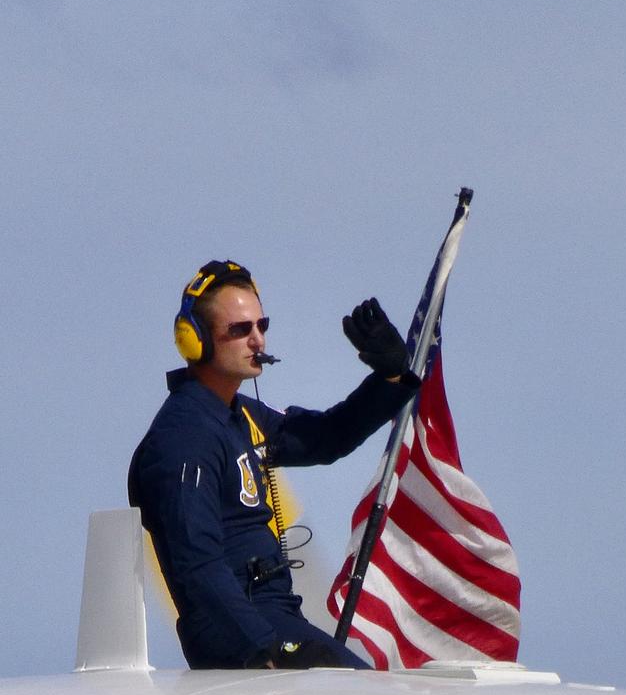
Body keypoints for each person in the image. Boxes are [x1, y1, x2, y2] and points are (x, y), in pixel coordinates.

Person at [127, 260, 420, 670]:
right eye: (240, 330)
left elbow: (324, 438)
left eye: (261, 326)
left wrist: (390, 377)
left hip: (275, 616)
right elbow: (197, 562)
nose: (257, 340)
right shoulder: (184, 437)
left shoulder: (241, 416)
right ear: (195, 341)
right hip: (237, 632)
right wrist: (265, 646)